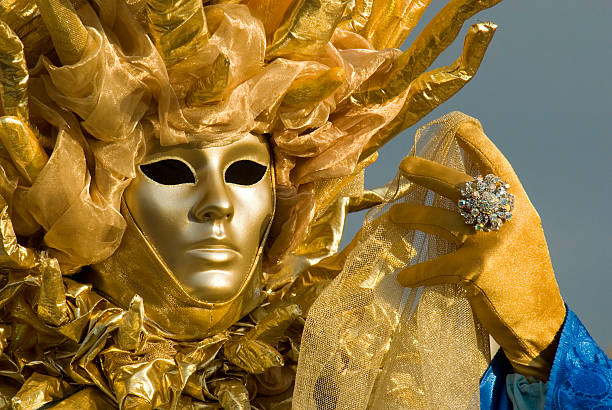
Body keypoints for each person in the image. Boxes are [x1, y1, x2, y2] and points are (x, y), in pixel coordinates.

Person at [0, 0, 609, 409]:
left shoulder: (348, 382)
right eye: (169, 172)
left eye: (244, 172)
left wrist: (544, 347)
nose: (216, 206)